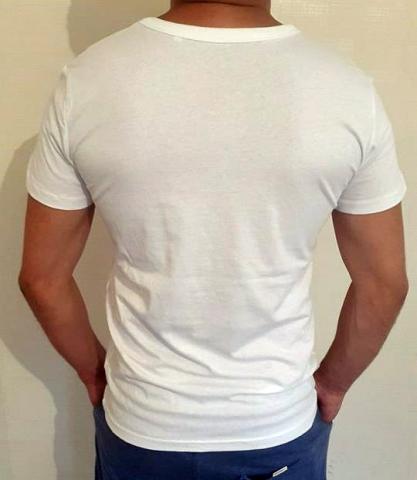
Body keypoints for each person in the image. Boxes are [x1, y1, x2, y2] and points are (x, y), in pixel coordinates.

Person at [19, 0, 408, 479]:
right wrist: (333, 384)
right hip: (276, 421)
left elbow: (42, 279)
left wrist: (94, 372)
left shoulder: (86, 81)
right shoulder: (347, 89)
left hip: (144, 420)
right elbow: (384, 284)